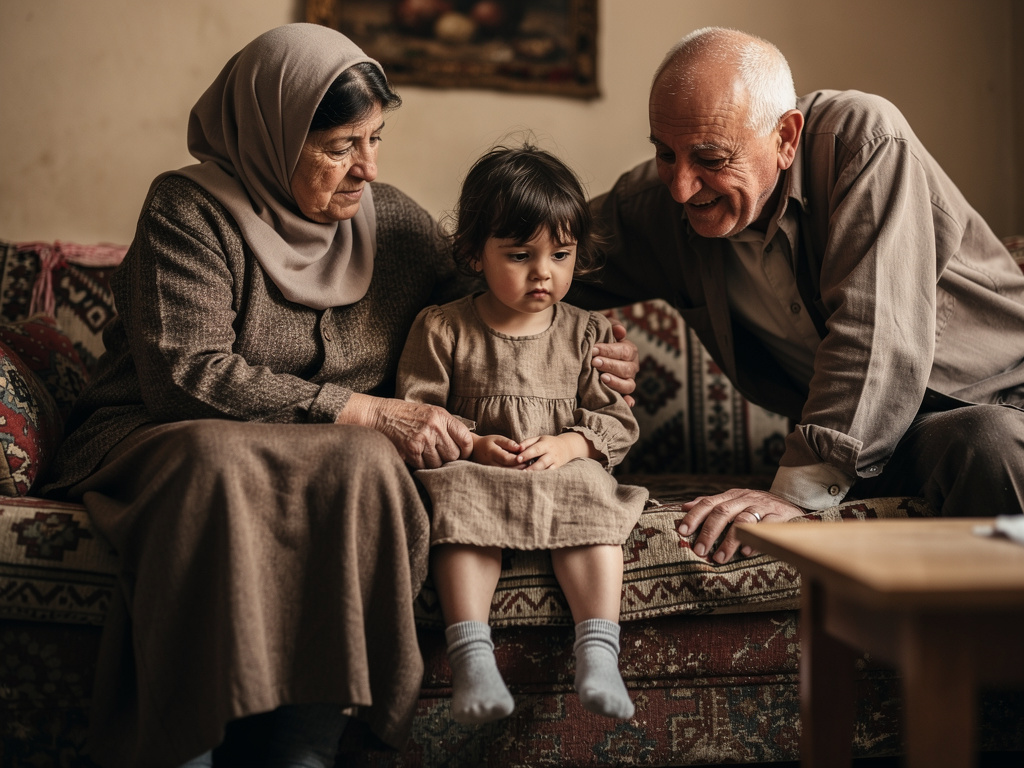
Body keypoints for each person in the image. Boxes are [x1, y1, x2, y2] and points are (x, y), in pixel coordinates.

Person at [40, 24, 638, 768]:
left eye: (376, 138)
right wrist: (362, 409)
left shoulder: (391, 222)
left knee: (370, 467)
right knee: (224, 461)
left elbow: (499, 305)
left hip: (330, 450)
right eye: (339, 146)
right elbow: (186, 374)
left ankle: (308, 748)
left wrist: (594, 360)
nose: (368, 169)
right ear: (272, 133)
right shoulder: (188, 211)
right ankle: (187, 742)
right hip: (173, 432)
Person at [577, 26, 1024, 565]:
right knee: (978, 440)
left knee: (990, 440)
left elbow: (876, 331)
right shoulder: (660, 206)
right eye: (665, 154)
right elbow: (530, 256)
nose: (681, 187)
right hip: (897, 439)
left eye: (711, 159)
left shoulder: (863, 139)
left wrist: (792, 496)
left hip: (1002, 392)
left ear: (786, 137)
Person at [395, 144, 647, 725]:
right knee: (455, 498)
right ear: (473, 254)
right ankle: (472, 658)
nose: (544, 272)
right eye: (520, 254)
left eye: (561, 254)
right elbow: (419, 411)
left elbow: (615, 420)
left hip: (561, 470)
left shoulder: (589, 333)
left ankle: (599, 652)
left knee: (593, 495)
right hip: (478, 467)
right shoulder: (442, 328)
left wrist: (571, 445)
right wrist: (475, 445)